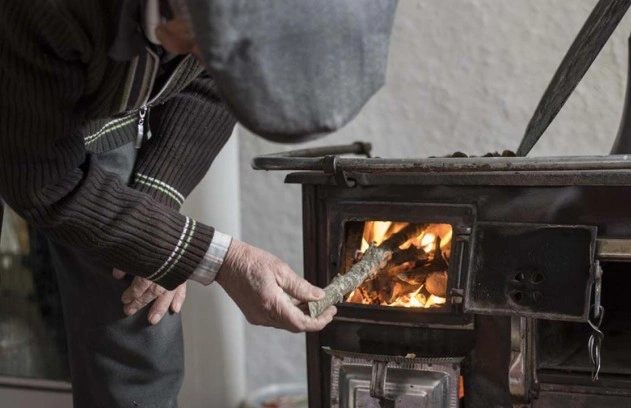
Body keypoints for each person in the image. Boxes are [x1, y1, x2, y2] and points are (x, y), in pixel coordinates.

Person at [0, 0, 397, 406]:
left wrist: (153, 224)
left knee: (137, 299)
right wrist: (216, 259)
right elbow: (41, 181)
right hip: (21, 71)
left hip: (95, 105)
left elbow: (210, 86)